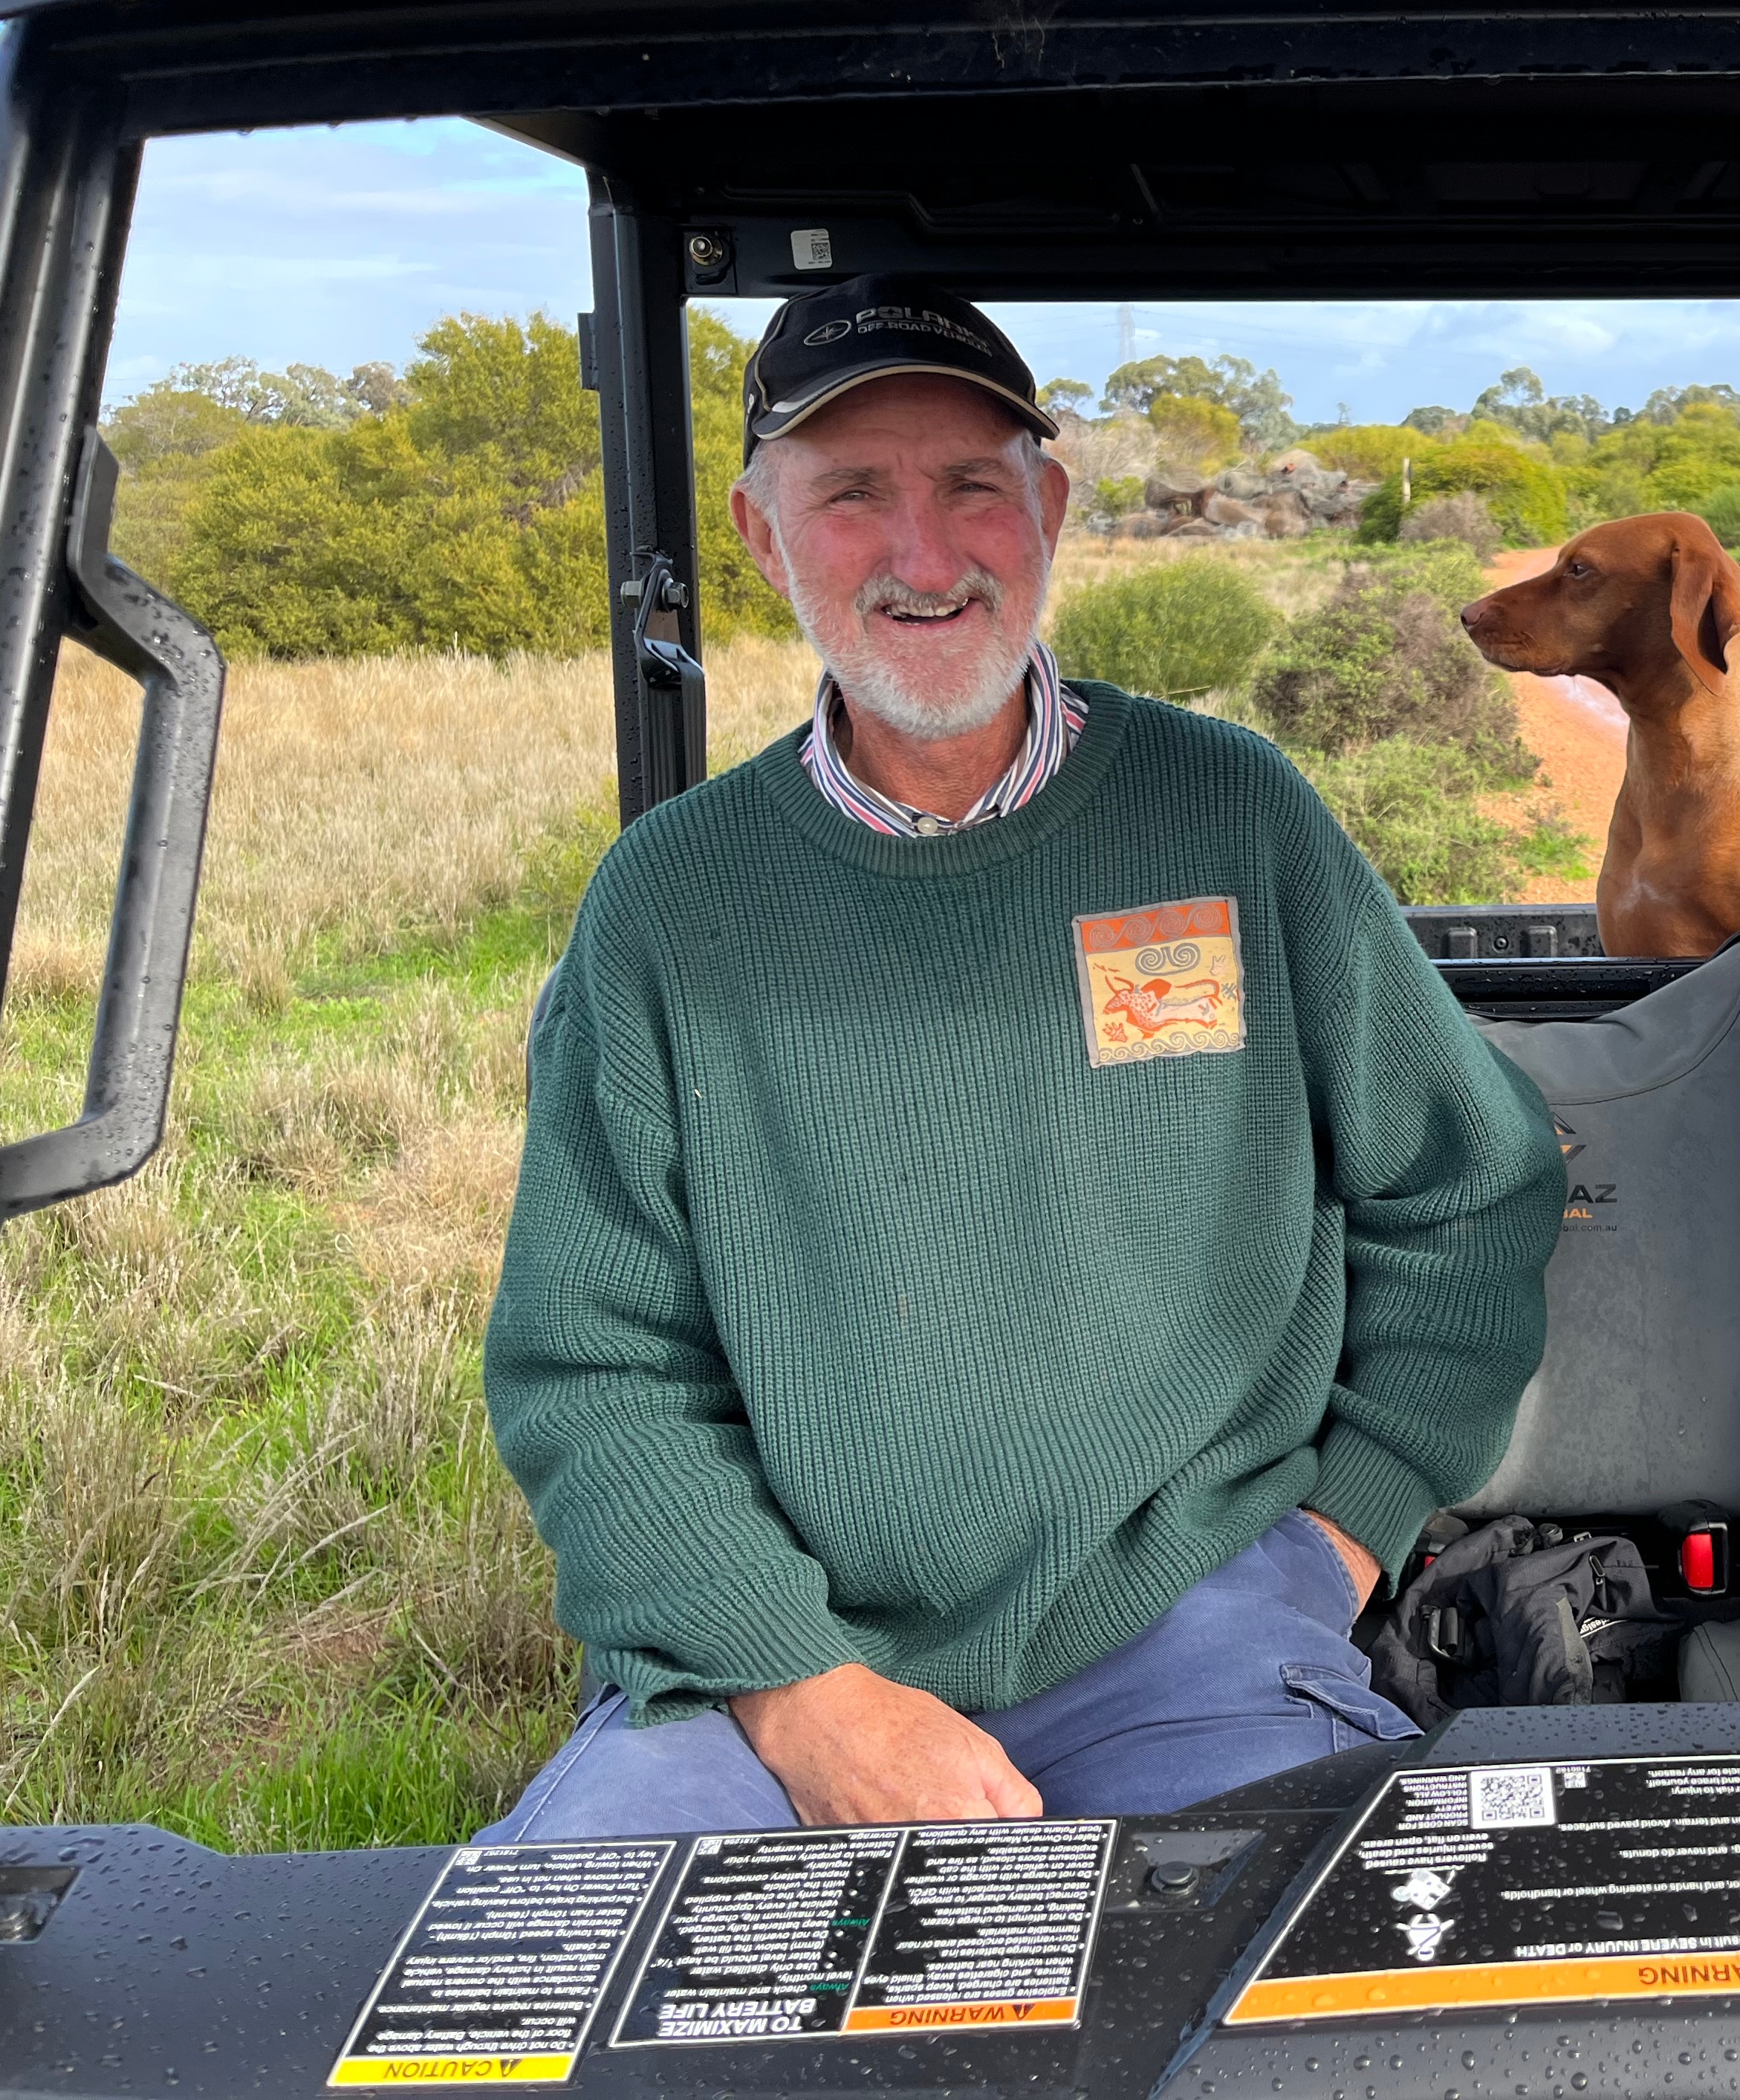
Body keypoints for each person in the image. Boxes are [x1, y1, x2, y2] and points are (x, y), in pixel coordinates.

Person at [478, 276, 1563, 1838]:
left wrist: (1347, 1530)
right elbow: (596, 1368)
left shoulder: (1229, 813)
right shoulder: (669, 902)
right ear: (762, 534)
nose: (925, 555)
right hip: (769, 1672)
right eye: (854, 494)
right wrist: (807, 1694)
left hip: (1194, 1632)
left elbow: (1471, 1192)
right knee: (560, 2020)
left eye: (972, 486)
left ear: (1046, 507)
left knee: (1331, 2033)